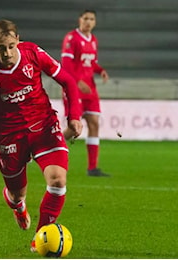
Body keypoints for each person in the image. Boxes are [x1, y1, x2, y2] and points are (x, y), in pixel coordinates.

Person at [0, 19, 83, 250]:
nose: (7, 52)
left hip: (44, 126)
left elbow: (68, 81)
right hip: (8, 135)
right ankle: (18, 206)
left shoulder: (33, 54)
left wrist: (74, 116)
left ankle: (40, 237)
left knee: (58, 180)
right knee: (16, 193)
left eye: (11, 46)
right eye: (1, 47)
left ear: (18, 41)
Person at [61, 9, 110, 177]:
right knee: (74, 127)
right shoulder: (71, 38)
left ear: (95, 22)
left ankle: (92, 168)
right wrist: (77, 81)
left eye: (92, 19)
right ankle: (49, 148)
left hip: (90, 88)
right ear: (79, 20)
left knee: (94, 123)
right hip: (74, 87)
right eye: (86, 18)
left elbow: (91, 63)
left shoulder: (93, 40)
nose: (88, 22)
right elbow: (66, 64)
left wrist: (101, 70)